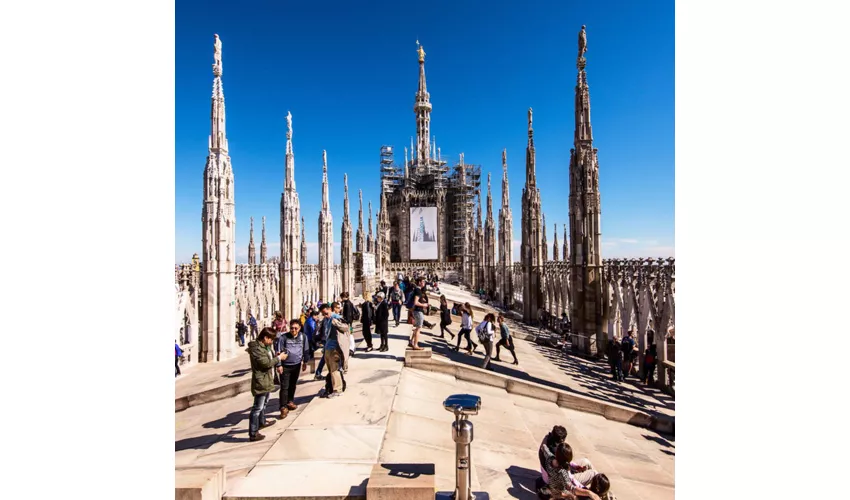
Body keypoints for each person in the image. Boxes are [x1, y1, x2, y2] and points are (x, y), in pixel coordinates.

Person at [247, 328, 287, 442]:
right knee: (257, 407)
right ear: (265, 338)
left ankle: (262, 421)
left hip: (268, 378)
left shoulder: (266, 346)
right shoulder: (256, 349)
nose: (272, 341)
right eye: (271, 339)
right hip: (261, 381)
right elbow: (265, 363)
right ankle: (253, 433)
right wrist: (279, 358)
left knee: (264, 403)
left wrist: (276, 357)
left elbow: (270, 358)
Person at [274, 319, 312, 419]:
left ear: (299, 328)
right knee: (284, 387)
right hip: (285, 366)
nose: (293, 330)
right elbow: (278, 352)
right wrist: (279, 365)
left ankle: (290, 401)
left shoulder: (303, 337)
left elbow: (305, 350)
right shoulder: (283, 338)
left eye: (296, 328)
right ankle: (283, 407)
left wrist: (305, 362)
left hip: (297, 364)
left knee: (293, 385)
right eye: (291, 328)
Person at [323, 302, 349, 397]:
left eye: (326, 313)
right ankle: (335, 387)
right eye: (323, 314)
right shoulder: (327, 319)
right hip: (328, 347)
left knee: (335, 369)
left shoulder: (336, 318)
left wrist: (337, 323)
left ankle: (337, 389)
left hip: (335, 347)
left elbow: (346, 328)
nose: (325, 315)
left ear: (330, 309)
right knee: (331, 370)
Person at [409, 276, 429, 350]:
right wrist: (424, 305)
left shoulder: (417, 290)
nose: (424, 283)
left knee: (417, 327)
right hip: (418, 311)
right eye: (423, 281)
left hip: (416, 311)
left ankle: (411, 341)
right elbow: (416, 302)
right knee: (418, 329)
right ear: (420, 282)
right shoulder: (418, 290)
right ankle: (416, 345)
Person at [340, 292, 359, 360]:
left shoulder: (347, 304)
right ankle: (352, 347)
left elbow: (348, 314)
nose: (341, 299)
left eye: (342, 297)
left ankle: (352, 348)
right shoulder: (349, 303)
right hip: (349, 322)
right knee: (350, 334)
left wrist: (345, 321)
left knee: (350, 335)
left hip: (348, 322)